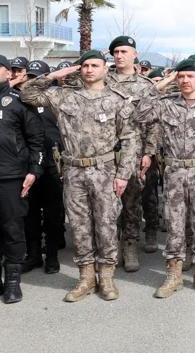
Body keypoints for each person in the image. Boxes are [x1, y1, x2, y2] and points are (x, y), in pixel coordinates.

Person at [21, 50, 139, 302]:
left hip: (105, 170)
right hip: (74, 170)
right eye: (84, 65)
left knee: (106, 223)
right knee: (79, 225)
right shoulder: (63, 97)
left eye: (95, 65)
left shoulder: (117, 100)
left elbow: (130, 139)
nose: (89, 69)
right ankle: (85, 277)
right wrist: (55, 75)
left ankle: (106, 277)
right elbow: (27, 93)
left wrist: (123, 174)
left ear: (105, 69)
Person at [134, 58, 195, 297]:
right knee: (175, 226)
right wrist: (163, 82)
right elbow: (138, 112)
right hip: (175, 173)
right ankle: (173, 276)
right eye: (181, 77)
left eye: (190, 76)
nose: (185, 81)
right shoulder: (166, 104)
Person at [107, 36, 154, 272]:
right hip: (105, 153)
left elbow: (153, 122)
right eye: (115, 51)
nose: (119, 55)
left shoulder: (145, 86)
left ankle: (131, 244)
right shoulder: (102, 81)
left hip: (134, 153)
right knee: (108, 202)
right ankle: (111, 246)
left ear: (134, 54)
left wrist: (149, 152)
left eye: (124, 51)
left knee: (132, 202)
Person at [0, 55, 44, 303]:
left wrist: (33, 171)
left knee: (12, 228)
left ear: (9, 73)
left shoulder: (19, 102)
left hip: (11, 177)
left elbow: (36, 141)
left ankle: (13, 282)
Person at [18, 61, 66, 274]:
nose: (32, 79)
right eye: (30, 75)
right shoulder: (23, 100)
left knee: (53, 213)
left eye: (38, 75)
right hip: (29, 163)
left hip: (53, 162)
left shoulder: (57, 98)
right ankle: (34, 254)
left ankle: (52, 256)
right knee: (30, 213)